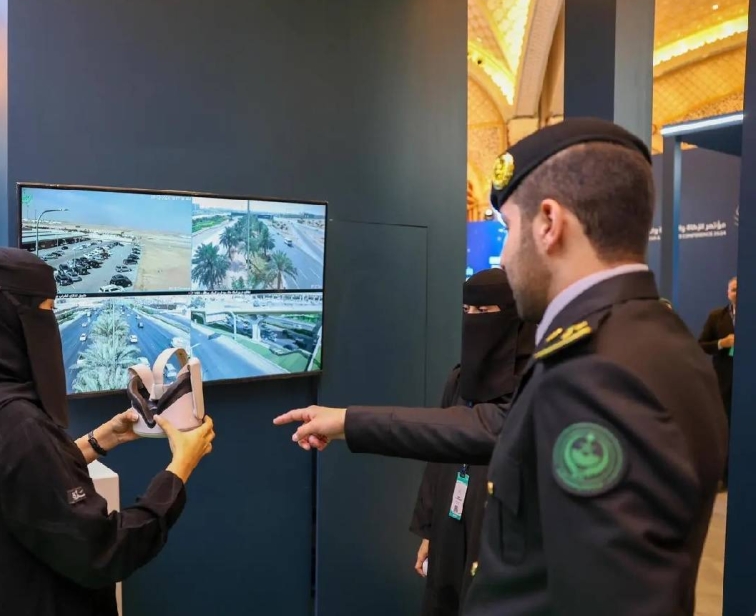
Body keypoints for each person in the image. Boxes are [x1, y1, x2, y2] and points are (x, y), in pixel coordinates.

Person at [275, 118, 727, 615]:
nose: (506, 256)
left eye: (509, 228)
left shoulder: (597, 372)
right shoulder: (655, 340)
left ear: (549, 223)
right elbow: (495, 429)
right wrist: (347, 421)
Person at [0, 247, 215, 616]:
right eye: (47, 310)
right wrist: (179, 469)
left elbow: (14, 483)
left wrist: (103, 439)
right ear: (6, 319)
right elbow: (104, 551)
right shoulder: (17, 425)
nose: (50, 324)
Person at [411, 268, 534, 616]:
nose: (473, 320)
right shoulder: (459, 380)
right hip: (450, 519)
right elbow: (438, 452)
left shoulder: (533, 385)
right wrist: (429, 530)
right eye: (467, 311)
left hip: (497, 529)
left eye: (483, 311)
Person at [699, 277, 736, 455]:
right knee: (723, 423)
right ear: (728, 293)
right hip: (724, 378)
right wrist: (722, 343)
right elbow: (701, 345)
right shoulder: (716, 316)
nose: (737, 293)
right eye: (734, 290)